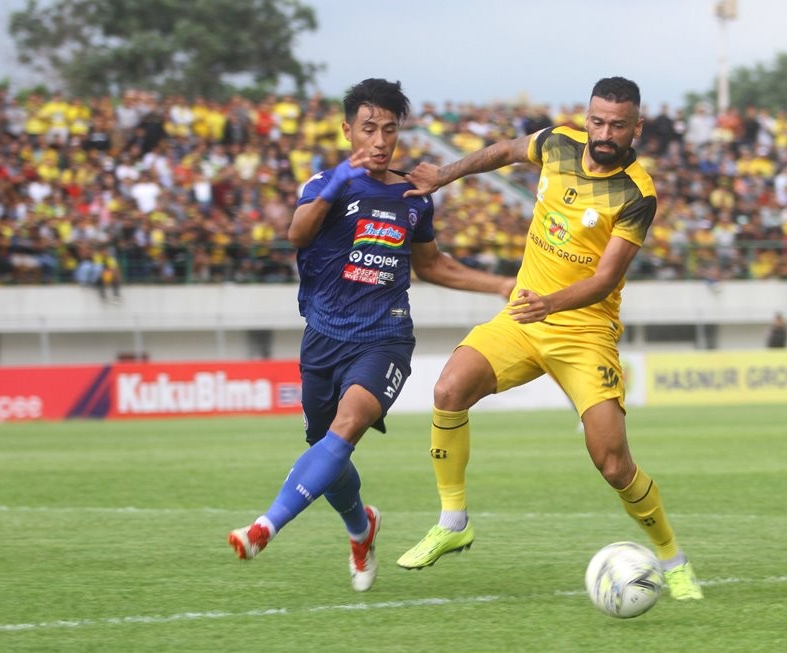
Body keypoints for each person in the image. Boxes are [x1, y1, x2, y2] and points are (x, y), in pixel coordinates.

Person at [397, 77, 704, 600]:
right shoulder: (558, 143)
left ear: (637, 126)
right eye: (598, 121)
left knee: (613, 463)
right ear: (587, 117)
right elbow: (505, 151)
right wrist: (444, 175)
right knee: (449, 390)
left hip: (584, 331)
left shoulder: (637, 193)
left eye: (618, 125)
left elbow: (605, 278)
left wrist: (549, 303)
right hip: (524, 318)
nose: (605, 133)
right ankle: (453, 522)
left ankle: (673, 559)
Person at [226, 79, 515, 592]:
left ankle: (264, 526)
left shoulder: (413, 196)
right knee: (326, 453)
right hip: (322, 338)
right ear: (347, 131)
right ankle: (362, 529)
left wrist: (498, 284)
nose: (381, 140)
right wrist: (339, 179)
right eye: (369, 129)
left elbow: (431, 266)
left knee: (347, 425)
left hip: (385, 336)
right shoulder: (324, 184)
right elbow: (296, 234)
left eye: (390, 130)